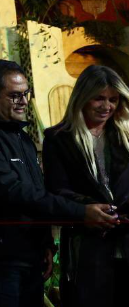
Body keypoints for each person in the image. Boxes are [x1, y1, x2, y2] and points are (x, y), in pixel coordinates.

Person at [0, 60, 117, 307]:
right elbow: (13, 192)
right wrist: (80, 212)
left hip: (27, 254)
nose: (23, 101)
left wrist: (46, 245)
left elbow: (37, 190)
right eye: (14, 95)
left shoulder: (19, 135)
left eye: (26, 94)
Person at [42, 65, 129, 307]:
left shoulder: (126, 134)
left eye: (113, 99)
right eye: (98, 98)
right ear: (82, 97)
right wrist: (90, 209)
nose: (107, 106)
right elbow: (56, 190)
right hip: (87, 245)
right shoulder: (57, 138)